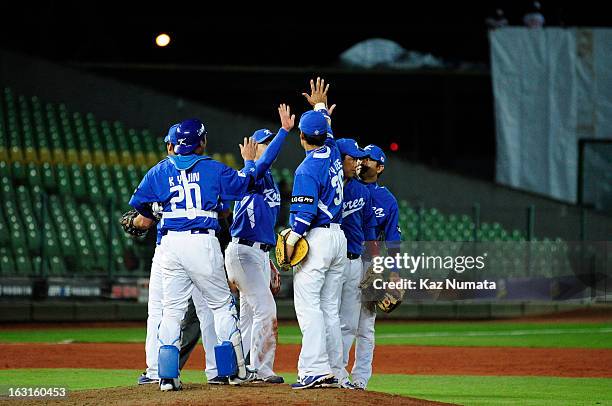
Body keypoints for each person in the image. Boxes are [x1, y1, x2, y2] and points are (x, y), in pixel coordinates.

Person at [127, 114, 285, 391]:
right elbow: (245, 183)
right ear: (200, 143)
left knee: (171, 311)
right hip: (201, 241)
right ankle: (231, 371)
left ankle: (167, 377)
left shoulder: (159, 170)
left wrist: (159, 210)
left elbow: (139, 206)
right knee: (221, 306)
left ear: (174, 145)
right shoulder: (212, 169)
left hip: (170, 244)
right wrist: (249, 162)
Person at [225, 109, 295, 384]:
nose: (267, 148)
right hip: (244, 251)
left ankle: (240, 369)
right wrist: (283, 132)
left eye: (267, 142)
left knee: (249, 316)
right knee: (265, 310)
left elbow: (262, 223)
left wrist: (267, 259)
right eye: (262, 143)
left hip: (256, 252)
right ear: (253, 149)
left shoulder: (265, 179)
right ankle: (261, 369)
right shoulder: (251, 173)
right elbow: (265, 160)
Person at [287, 78, 347, 389]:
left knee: (309, 305)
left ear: (302, 137)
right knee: (329, 310)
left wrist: (294, 236)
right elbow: (328, 130)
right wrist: (321, 107)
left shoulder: (306, 169)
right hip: (338, 238)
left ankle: (313, 368)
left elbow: (305, 214)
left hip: (318, 238)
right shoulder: (334, 149)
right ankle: (335, 370)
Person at [351, 144, 402, 390]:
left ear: (380, 167)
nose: (363, 162)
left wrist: (393, 272)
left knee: (365, 325)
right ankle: (335, 374)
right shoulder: (347, 186)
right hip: (344, 259)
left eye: (369, 160)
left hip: (370, 264)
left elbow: (393, 240)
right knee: (339, 319)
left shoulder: (387, 199)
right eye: (361, 158)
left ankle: (360, 379)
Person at [334, 138, 377, 389]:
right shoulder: (328, 186)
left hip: (353, 261)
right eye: (353, 158)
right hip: (331, 263)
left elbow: (370, 226)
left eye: (360, 158)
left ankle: (339, 374)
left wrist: (374, 262)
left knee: (349, 323)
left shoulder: (362, 191)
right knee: (324, 317)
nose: (358, 163)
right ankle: (318, 370)